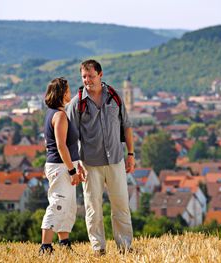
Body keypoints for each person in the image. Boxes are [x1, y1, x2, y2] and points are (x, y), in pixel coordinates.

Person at [67, 59, 135, 255]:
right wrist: (75, 163)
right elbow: (71, 138)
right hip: (90, 164)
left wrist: (130, 154)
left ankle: (125, 246)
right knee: (93, 208)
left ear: (100, 75)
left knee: (121, 205)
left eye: (91, 76)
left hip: (115, 159)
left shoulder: (114, 97)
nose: (87, 80)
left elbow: (127, 126)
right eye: (84, 76)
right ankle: (98, 248)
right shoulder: (76, 103)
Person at [39, 77, 85, 254]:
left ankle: (64, 243)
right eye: (68, 89)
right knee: (58, 204)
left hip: (64, 164)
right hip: (60, 167)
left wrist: (76, 164)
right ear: (62, 93)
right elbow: (61, 145)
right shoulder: (59, 116)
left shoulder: (56, 113)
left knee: (68, 205)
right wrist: (72, 170)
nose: (70, 92)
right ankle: (45, 246)